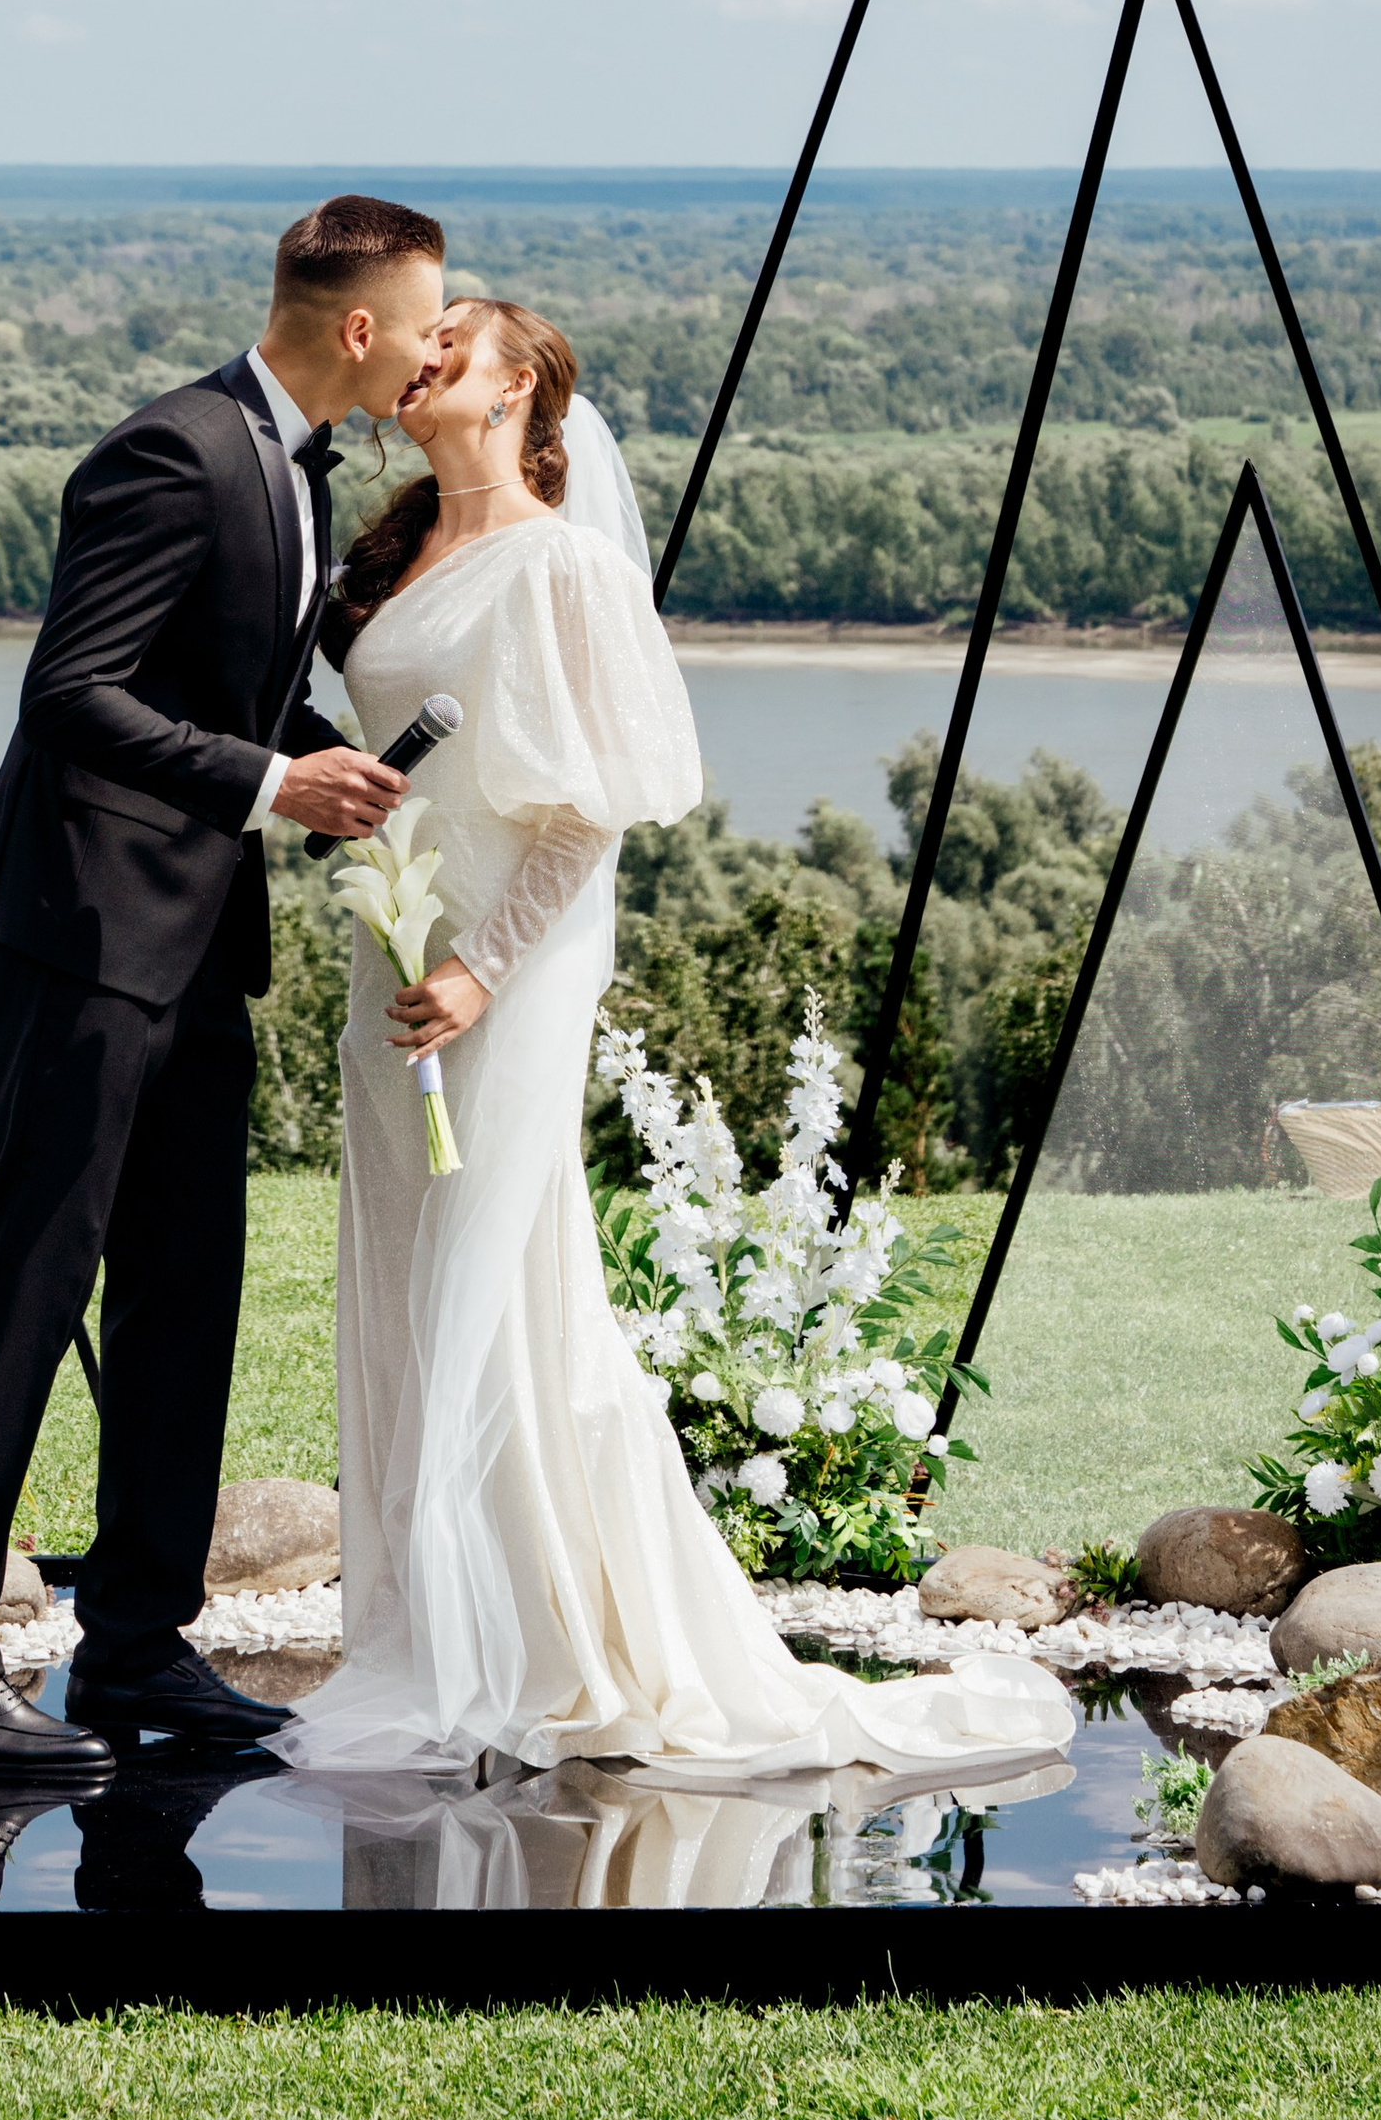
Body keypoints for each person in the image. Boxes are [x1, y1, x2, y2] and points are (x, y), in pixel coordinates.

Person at [270, 295, 1072, 1788]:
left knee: (502, 1276)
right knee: (412, 1279)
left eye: (457, 336)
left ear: (520, 389)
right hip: (396, 956)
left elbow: (597, 804)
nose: (424, 351)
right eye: (419, 333)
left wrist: (487, 976)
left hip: (503, 968)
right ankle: (444, 1619)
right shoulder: (391, 551)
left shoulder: (565, 562)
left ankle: (571, 1643)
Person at [0, 193, 451, 1775]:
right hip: (89, 927)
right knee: (37, 1273)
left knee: (188, 1283)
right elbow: (70, 694)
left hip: (196, 943)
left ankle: (137, 1642)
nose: (429, 343)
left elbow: (246, 662)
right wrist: (278, 782)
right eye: (423, 318)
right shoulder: (173, 449)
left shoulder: (293, 464)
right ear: (356, 327)